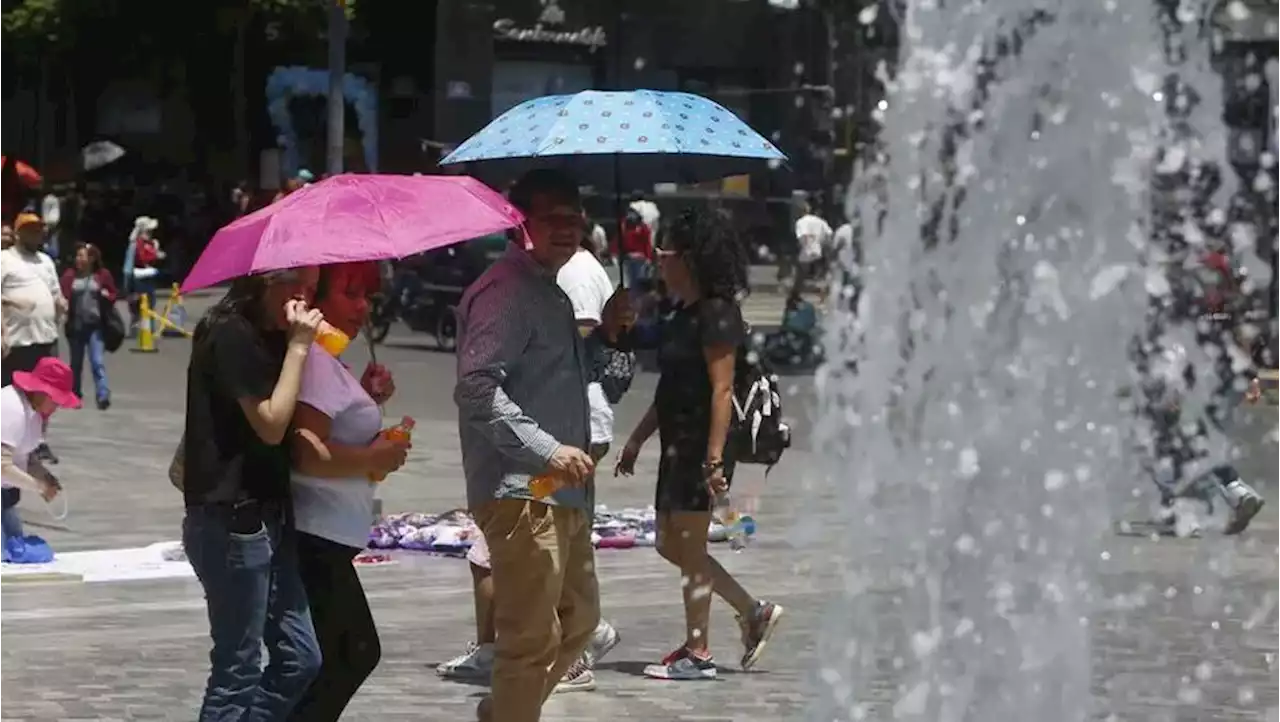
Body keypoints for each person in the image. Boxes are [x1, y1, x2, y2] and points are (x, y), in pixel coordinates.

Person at [454, 168, 628, 722]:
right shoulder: (505, 293)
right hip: (523, 490)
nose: (567, 228)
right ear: (518, 220)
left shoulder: (548, 291)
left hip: (562, 491)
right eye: (551, 217)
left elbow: (563, 379)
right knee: (530, 637)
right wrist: (548, 449)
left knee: (579, 624)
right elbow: (476, 390)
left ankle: (503, 711)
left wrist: (610, 334)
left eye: (574, 216)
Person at [616, 208, 784, 681]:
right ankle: (753, 611)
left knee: (688, 548)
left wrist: (714, 459)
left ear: (686, 257)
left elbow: (722, 389)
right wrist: (636, 440)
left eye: (663, 251)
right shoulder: (681, 314)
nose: (657, 259)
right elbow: (669, 390)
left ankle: (699, 652)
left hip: (702, 447)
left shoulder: (717, 314)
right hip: (676, 444)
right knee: (672, 545)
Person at [181, 268, 325, 721]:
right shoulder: (230, 334)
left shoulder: (272, 336)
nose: (304, 296)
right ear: (266, 281)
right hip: (231, 521)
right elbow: (270, 423)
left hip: (271, 514)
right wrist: (300, 346)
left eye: (312, 286)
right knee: (237, 670)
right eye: (295, 284)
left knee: (301, 659)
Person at [287, 262, 404, 721]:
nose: (362, 307)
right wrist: (373, 458)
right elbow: (307, 452)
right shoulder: (315, 361)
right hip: (315, 533)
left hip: (329, 533)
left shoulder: (327, 361)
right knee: (350, 654)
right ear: (316, 299)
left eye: (366, 295)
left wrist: (367, 399)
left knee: (332, 660)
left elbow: (332, 427)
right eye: (350, 293)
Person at [0, 213, 64, 464]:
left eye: (38, 230)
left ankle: (37, 442)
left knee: (45, 394)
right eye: (28, 230)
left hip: (45, 337)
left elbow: (55, 293)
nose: (35, 234)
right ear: (18, 233)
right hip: (17, 341)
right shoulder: (4, 259)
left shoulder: (46, 261)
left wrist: (59, 304)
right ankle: (7, 439)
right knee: (12, 395)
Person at [0, 357, 75, 552]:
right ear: (41, 392)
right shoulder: (11, 407)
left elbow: (25, 457)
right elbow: (3, 466)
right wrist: (39, 487)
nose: (57, 407)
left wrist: (45, 477)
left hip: (7, 494)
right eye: (56, 400)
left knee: (16, 549)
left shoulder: (34, 413)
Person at [59, 243, 117, 410]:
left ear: (92, 258)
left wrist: (108, 295)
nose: (79, 259)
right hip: (75, 326)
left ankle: (103, 394)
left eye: (82, 256)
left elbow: (113, 293)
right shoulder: (70, 276)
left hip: (95, 326)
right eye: (77, 256)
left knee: (97, 361)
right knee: (75, 363)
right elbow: (60, 293)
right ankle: (75, 395)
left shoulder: (101, 275)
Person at [123, 216, 163, 337]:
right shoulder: (137, 244)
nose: (151, 233)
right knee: (143, 303)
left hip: (144, 276)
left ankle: (142, 329)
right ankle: (142, 330)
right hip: (139, 278)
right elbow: (133, 264)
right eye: (149, 231)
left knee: (145, 303)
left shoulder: (146, 243)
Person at [793, 201, 833, 300]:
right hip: (818, 250)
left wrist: (803, 247)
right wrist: (823, 246)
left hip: (806, 252)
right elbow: (829, 234)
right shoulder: (820, 221)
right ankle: (822, 296)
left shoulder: (801, 222)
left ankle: (796, 296)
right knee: (819, 276)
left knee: (801, 274)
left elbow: (802, 236)